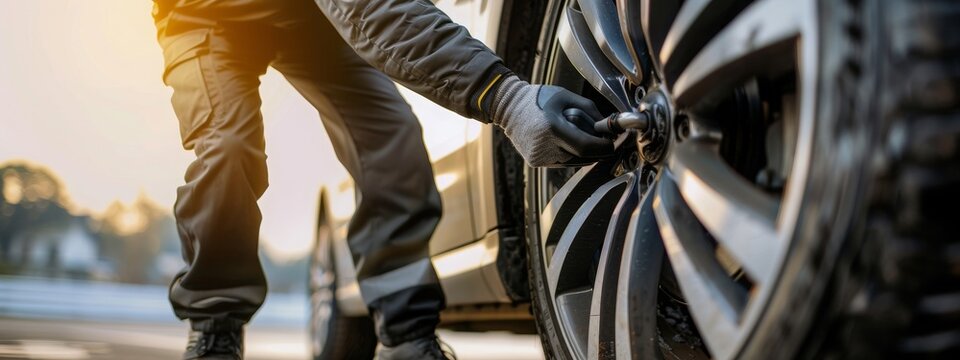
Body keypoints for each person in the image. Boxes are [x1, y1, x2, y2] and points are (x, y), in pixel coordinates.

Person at [151, 0, 613, 359]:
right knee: (228, 150)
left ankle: (405, 338)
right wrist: (506, 97)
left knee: (392, 141)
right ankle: (214, 331)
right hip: (205, 17)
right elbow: (377, 12)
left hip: (310, 20)